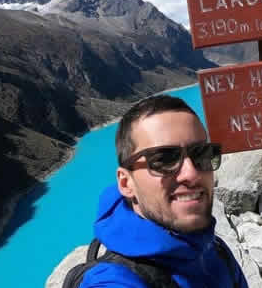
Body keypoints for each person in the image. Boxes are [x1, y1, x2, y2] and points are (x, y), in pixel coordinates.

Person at [78, 95, 248, 287]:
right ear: (126, 183)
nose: (191, 174)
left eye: (201, 154)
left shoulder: (214, 248)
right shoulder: (113, 280)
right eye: (164, 160)